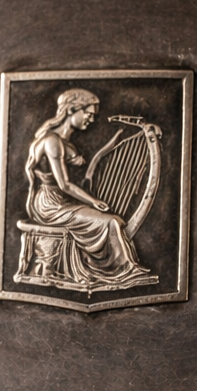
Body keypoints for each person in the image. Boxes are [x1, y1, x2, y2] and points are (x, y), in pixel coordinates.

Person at [19, 88, 155, 291]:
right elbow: (64, 184)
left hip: (61, 201)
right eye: (88, 114)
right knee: (109, 222)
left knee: (114, 222)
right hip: (50, 204)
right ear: (72, 110)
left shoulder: (63, 142)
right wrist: (92, 201)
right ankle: (122, 272)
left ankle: (118, 268)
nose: (91, 120)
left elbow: (90, 163)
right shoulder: (52, 141)